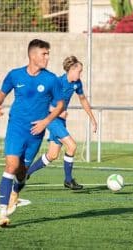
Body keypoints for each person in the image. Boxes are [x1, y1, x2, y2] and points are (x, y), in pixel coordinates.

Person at [8, 56, 97, 214]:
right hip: (51, 119)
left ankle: (26, 173)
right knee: (72, 146)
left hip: (59, 121)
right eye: (79, 71)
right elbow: (43, 101)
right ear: (70, 70)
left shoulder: (77, 84)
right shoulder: (57, 82)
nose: (80, 74)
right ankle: (68, 180)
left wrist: (92, 118)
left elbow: (83, 100)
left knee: (52, 154)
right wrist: (57, 112)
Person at [0, 39, 64, 227]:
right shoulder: (15, 75)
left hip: (36, 132)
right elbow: (1, 93)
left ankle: (16, 191)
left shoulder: (51, 79)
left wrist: (46, 122)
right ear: (33, 55)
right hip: (16, 127)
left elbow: (60, 105)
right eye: (44, 54)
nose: (48, 57)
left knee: (22, 172)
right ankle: (2, 214)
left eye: (48, 54)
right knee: (11, 165)